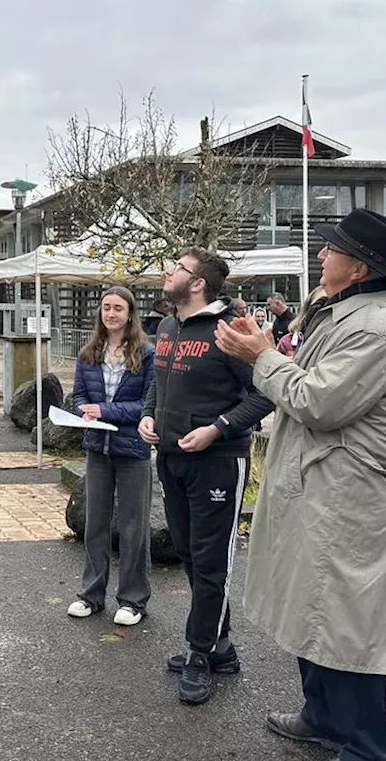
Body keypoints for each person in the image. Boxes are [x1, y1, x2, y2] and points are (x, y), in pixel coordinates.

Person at [215, 208, 386, 761]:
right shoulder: (349, 311)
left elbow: (318, 402)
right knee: (315, 607)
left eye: (332, 249)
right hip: (323, 486)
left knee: (347, 620)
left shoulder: (378, 327)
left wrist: (259, 356)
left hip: (346, 495)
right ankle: (323, 716)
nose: (321, 255)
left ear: (359, 269)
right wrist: (266, 350)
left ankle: (369, 746)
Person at [138, 249, 274, 706]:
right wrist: (148, 413)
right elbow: (161, 376)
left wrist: (218, 428)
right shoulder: (167, 326)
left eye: (177, 267)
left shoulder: (230, 333)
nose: (167, 271)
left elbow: (266, 394)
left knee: (212, 560)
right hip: (171, 457)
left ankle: (199, 653)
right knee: (189, 555)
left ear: (197, 283)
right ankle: (221, 646)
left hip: (218, 461)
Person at [66, 287, 155, 626]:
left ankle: (133, 600)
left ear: (130, 313)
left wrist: (104, 410)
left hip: (132, 449)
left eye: (118, 308)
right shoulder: (89, 352)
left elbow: (146, 404)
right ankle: (91, 594)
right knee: (95, 524)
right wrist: (83, 411)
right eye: (106, 307)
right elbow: (79, 396)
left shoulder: (146, 354)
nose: (111, 313)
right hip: (97, 448)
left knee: (134, 527)